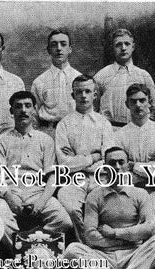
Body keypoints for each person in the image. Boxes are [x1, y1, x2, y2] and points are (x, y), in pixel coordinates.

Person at [63, 147, 155, 269]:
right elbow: (90, 235)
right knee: (72, 250)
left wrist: (115, 233)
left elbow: (149, 228)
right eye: (112, 163)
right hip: (104, 256)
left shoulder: (140, 194)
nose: (117, 167)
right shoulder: (94, 196)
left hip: (132, 254)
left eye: (121, 162)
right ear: (105, 167)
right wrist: (129, 237)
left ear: (127, 165)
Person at [0, 91, 72, 255]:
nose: (23, 110)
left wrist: (42, 201)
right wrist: (9, 197)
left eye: (27, 106)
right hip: (11, 192)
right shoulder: (0, 141)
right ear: (11, 111)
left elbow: (53, 176)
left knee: (64, 221)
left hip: (37, 192)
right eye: (18, 107)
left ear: (34, 110)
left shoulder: (45, 140)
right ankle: (23, 256)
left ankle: (34, 248)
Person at [56, 75, 114, 241]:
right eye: (79, 92)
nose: (83, 95)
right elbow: (65, 163)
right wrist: (93, 157)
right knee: (70, 205)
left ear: (95, 95)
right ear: (73, 95)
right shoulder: (64, 124)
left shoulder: (104, 123)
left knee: (100, 205)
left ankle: (102, 243)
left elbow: (108, 158)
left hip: (100, 178)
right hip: (75, 179)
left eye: (87, 91)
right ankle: (86, 245)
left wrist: (79, 160)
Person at [115, 83, 155, 216]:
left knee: (150, 214)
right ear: (127, 104)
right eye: (133, 101)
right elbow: (118, 170)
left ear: (150, 103)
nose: (138, 105)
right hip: (129, 190)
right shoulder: (119, 135)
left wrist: (134, 165)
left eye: (142, 100)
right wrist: (149, 168)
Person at [93, 28, 155, 128]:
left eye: (127, 44)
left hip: (137, 130)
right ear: (112, 48)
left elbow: (154, 107)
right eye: (118, 45)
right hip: (110, 130)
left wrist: (144, 126)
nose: (123, 48)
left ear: (133, 47)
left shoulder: (143, 75)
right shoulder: (101, 76)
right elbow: (92, 108)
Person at [31, 29, 81, 138]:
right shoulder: (39, 82)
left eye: (63, 44)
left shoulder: (80, 79)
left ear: (70, 49)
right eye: (54, 45)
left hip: (75, 132)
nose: (59, 48)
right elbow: (33, 115)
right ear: (49, 50)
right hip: (48, 133)